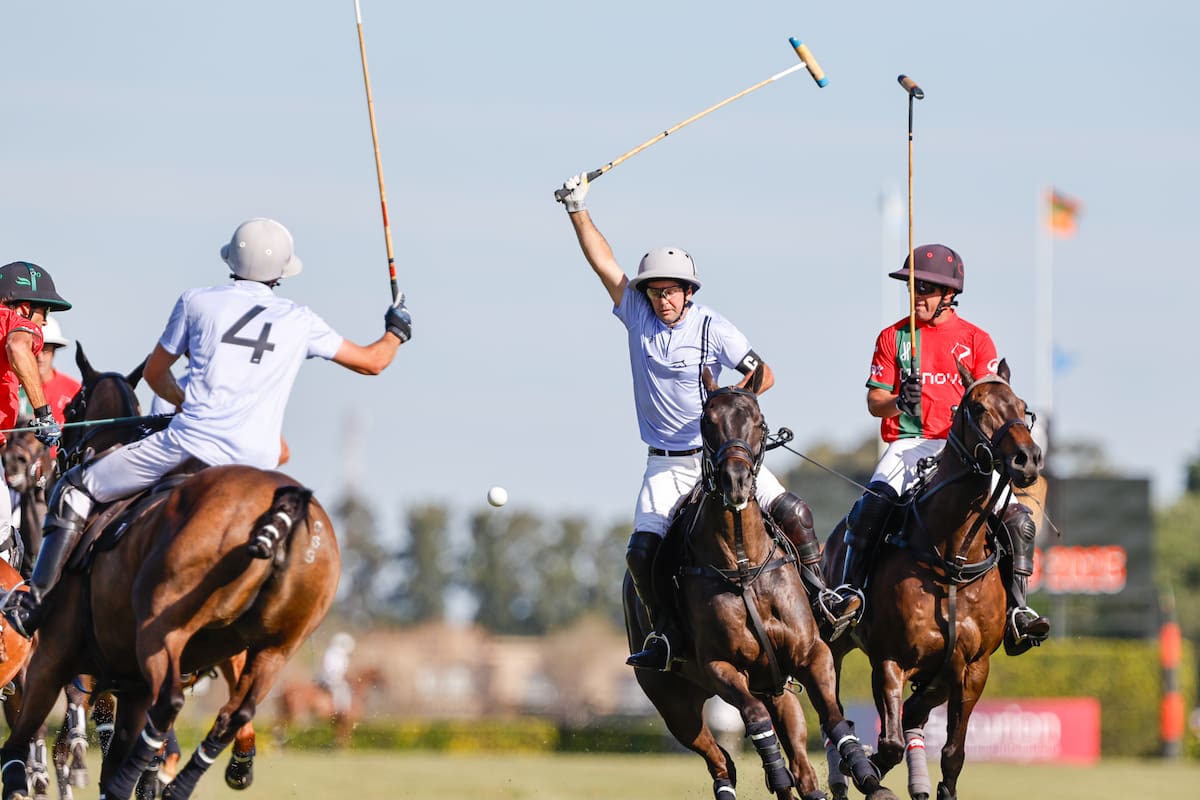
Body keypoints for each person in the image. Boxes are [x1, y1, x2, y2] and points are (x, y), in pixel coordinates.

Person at [4, 218, 412, 638]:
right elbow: (373, 361)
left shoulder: (198, 301)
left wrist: (186, 405)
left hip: (191, 444)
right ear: (281, 272)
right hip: (259, 461)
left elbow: (155, 374)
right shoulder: (301, 319)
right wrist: (396, 330)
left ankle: (34, 606)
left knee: (74, 487)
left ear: (232, 261)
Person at [557, 174, 859, 671]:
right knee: (642, 552)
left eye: (671, 291)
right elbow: (604, 263)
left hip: (719, 457)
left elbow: (764, 375)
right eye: (655, 291)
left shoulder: (713, 327)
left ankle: (822, 598)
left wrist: (727, 405)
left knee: (796, 513)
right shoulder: (636, 314)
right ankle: (665, 633)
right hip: (666, 465)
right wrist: (577, 210)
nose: (662, 300)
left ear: (687, 292)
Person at [834, 244, 1050, 655]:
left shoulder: (976, 340)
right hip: (910, 443)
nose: (916, 296)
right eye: (912, 287)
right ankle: (851, 593)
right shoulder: (894, 337)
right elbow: (875, 402)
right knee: (871, 508)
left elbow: (992, 397)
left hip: (964, 452)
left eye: (925, 289)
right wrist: (900, 401)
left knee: (1018, 521)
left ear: (949, 294)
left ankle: (1018, 612)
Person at [0, 261, 72, 568]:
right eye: (45, 311)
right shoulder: (18, 323)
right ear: (24, 308)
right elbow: (17, 346)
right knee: (5, 547)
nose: (44, 322)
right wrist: (43, 413)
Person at [17, 315, 81, 424]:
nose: (39, 356)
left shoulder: (74, 390)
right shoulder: (11, 389)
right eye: (34, 349)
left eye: (45, 349)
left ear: (54, 351)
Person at [317, 632, 356, 716]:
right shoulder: (339, 655)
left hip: (325, 677)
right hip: (331, 679)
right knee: (344, 689)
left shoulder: (331, 652)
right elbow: (336, 670)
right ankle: (341, 711)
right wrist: (338, 677)